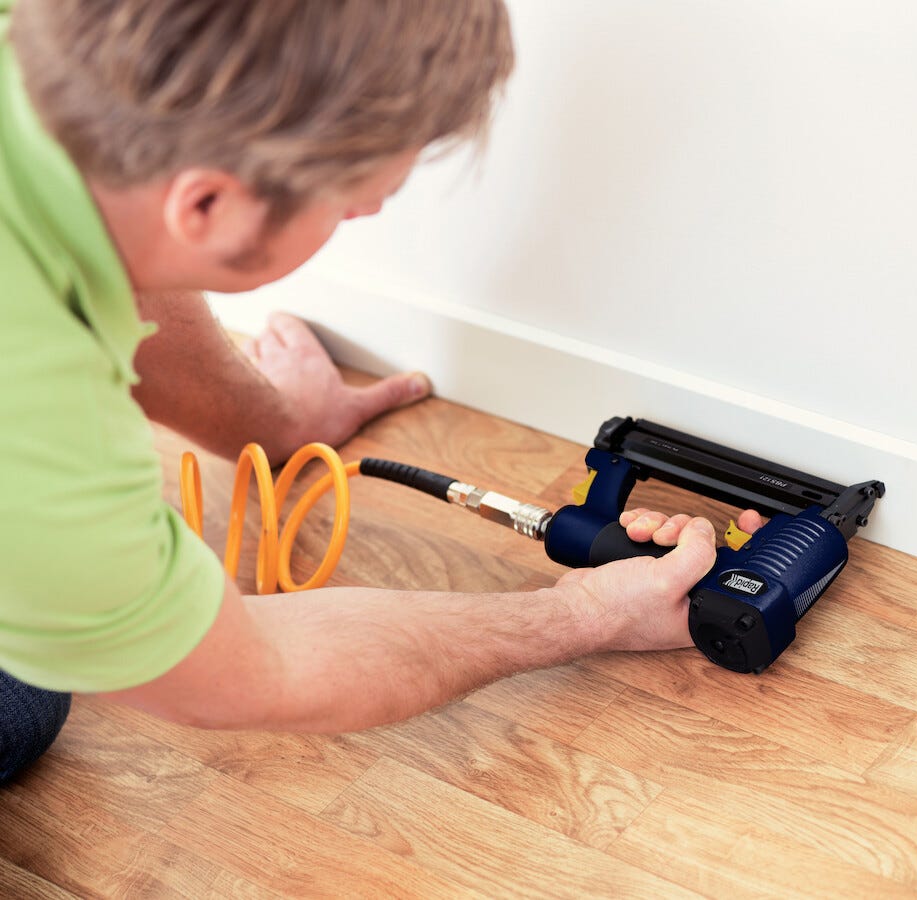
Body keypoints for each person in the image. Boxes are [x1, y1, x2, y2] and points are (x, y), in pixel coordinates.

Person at [0, 0, 760, 783]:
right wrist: (584, 613)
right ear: (204, 205)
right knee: (24, 707)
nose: (364, 211)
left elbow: (131, 253)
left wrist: (275, 424)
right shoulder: (44, 424)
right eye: (350, 201)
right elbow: (254, 671)